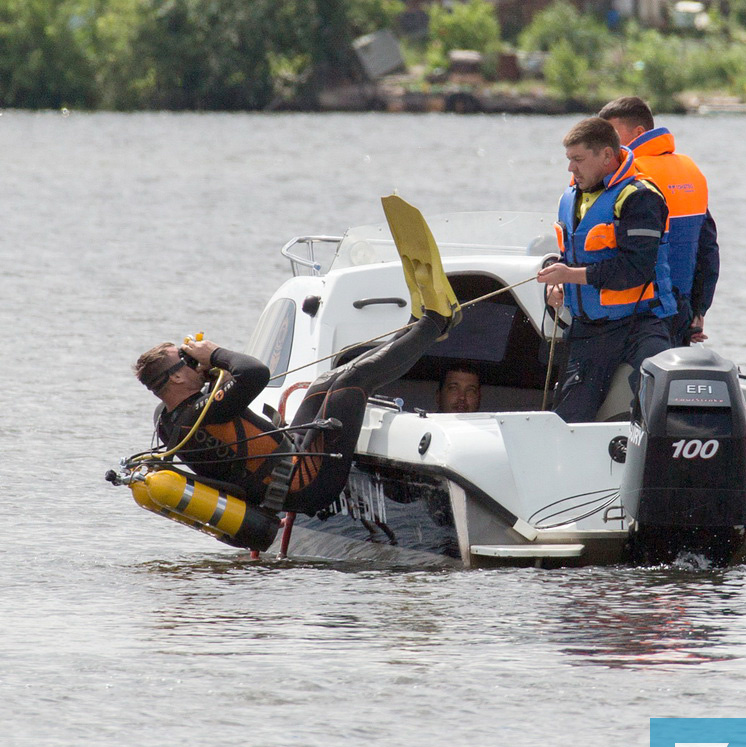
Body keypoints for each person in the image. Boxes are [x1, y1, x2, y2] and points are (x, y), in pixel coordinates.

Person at [133, 260, 458, 523]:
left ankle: (412, 332)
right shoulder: (203, 414)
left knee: (323, 383)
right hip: (308, 480)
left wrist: (204, 371)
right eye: (187, 361)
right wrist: (215, 354)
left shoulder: (169, 418)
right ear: (175, 380)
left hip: (290, 468)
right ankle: (434, 324)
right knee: (350, 385)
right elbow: (255, 372)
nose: (195, 362)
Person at [537, 116, 676, 423]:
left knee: (662, 401)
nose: (571, 168)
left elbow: (635, 269)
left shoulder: (640, 197)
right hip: (590, 330)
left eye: (578, 159)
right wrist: (555, 282)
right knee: (569, 418)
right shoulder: (569, 197)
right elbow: (567, 255)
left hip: (640, 324)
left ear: (607, 156)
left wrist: (570, 276)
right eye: (569, 160)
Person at [599, 96, 720, 345]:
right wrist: (699, 310)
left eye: (611, 134)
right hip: (681, 311)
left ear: (639, 132)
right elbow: (708, 249)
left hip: (634, 312)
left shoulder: (626, 174)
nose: (605, 144)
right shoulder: (691, 170)